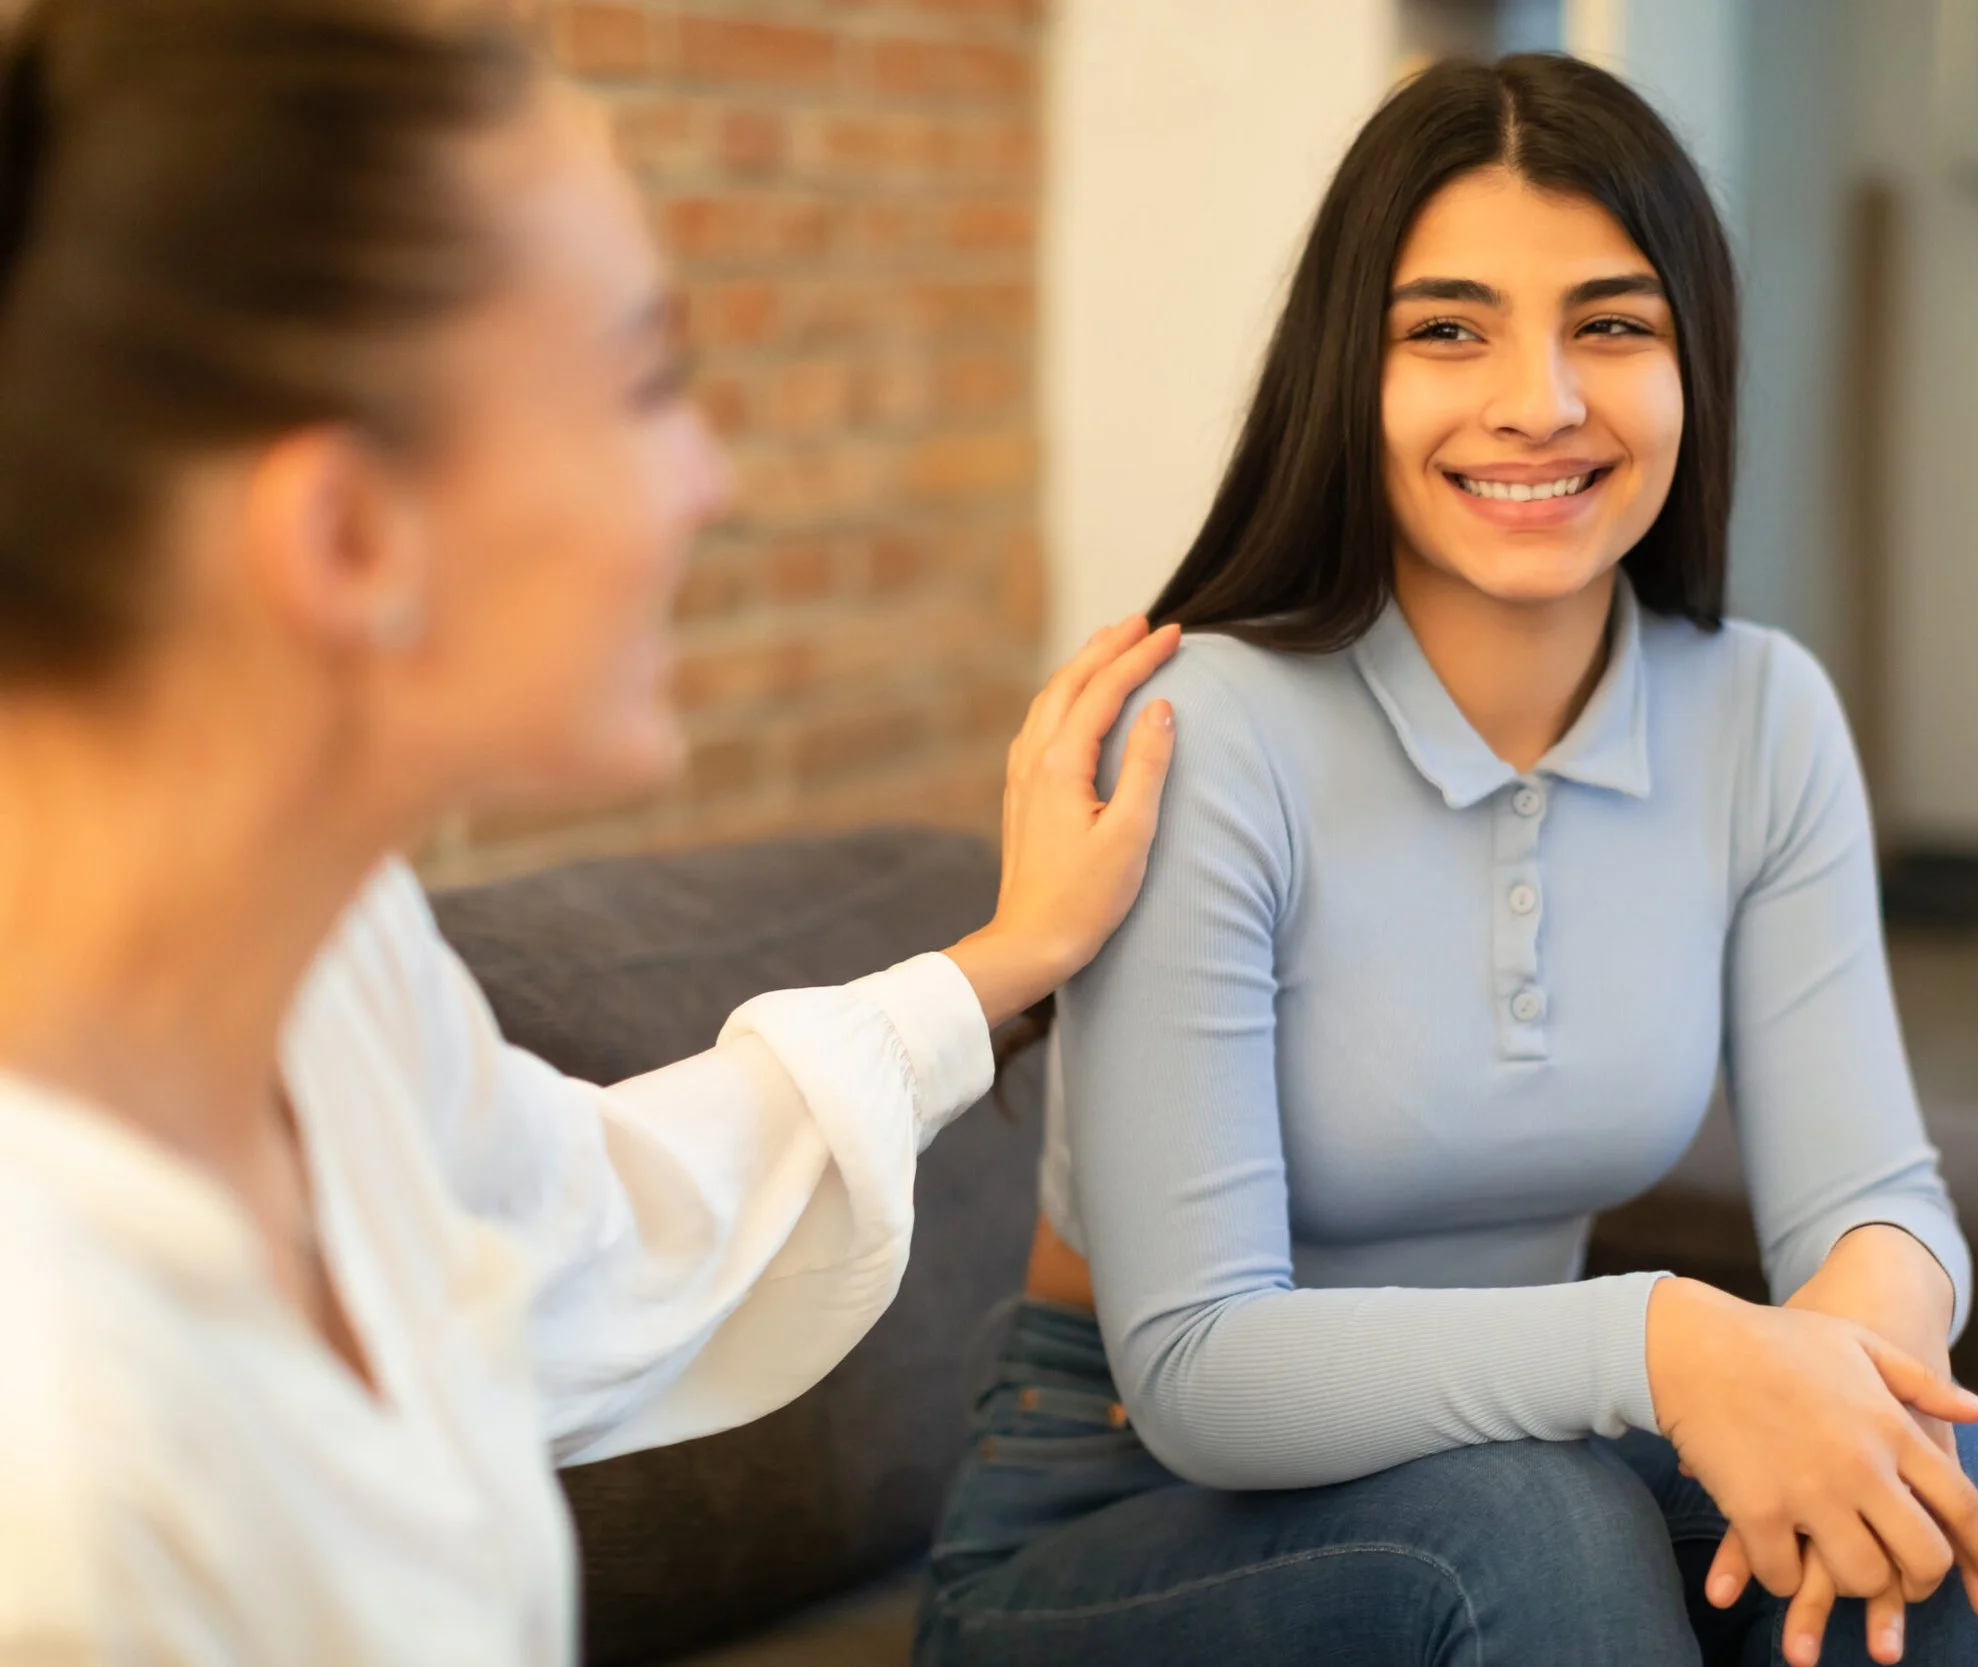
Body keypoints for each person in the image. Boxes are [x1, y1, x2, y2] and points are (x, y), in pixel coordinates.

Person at [0, 2, 1178, 1661]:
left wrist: (1001, 963)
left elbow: (594, 1216)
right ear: (347, 532)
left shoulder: (328, 969)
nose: (706, 480)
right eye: (647, 384)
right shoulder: (62, 1482)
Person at [918, 54, 1978, 1667]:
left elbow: (1871, 1197)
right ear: (1346, 374)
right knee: (1534, 1523)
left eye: (1611, 323)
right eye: (1449, 328)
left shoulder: (1761, 714)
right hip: (1116, 1520)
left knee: (1930, 1486)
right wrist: (1663, 1343)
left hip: (1517, 1479)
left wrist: (1853, 1382)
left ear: (1693, 363)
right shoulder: (1197, 736)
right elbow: (1198, 1367)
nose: (1539, 401)